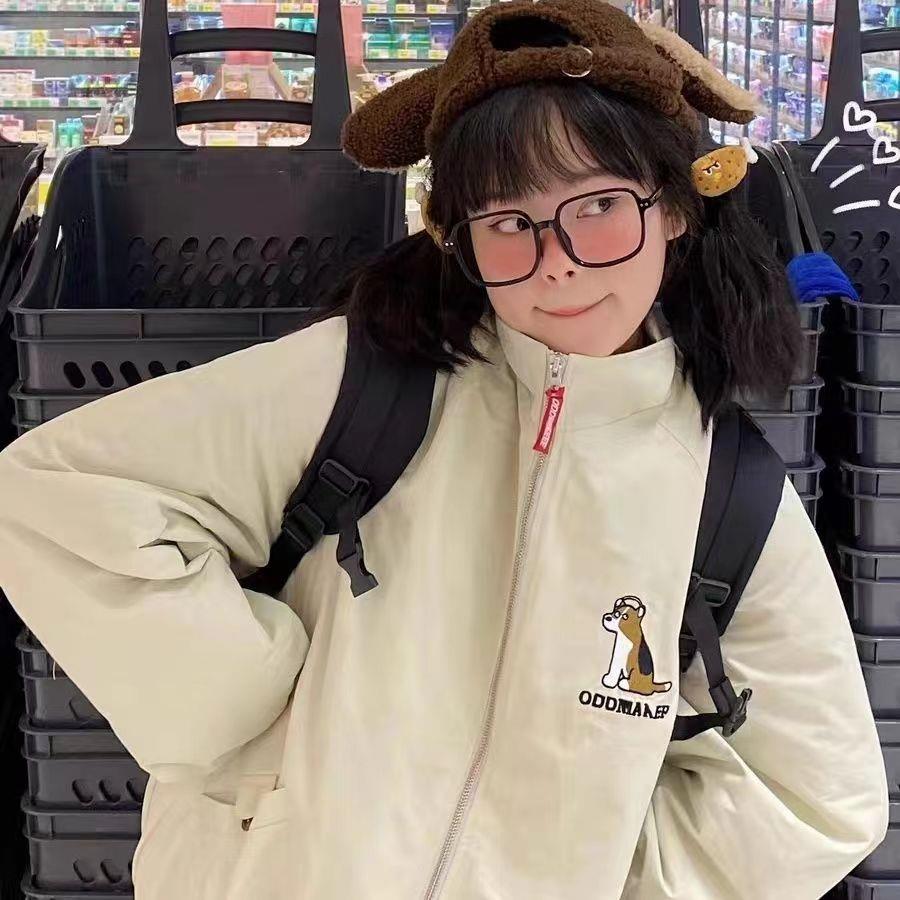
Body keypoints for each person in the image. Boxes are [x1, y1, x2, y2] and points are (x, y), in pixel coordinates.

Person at [0, 1, 889, 898]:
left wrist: (598, 869)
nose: (557, 261)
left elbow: (817, 796)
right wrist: (252, 710)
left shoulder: (726, 490)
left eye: (599, 206)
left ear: (676, 209)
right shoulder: (362, 381)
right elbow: (53, 493)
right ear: (456, 238)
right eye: (507, 221)